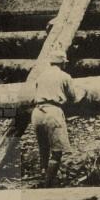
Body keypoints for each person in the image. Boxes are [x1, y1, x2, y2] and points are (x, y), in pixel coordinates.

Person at [31, 50, 81, 188]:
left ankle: (43, 175)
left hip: (37, 112)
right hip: (52, 112)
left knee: (43, 148)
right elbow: (73, 98)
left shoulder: (41, 76)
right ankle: (48, 185)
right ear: (62, 63)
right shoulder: (64, 76)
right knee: (57, 152)